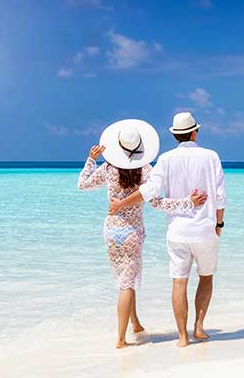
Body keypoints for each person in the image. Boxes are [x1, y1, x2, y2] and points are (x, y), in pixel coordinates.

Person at [78, 119, 207, 349]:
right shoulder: (146, 170)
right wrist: (187, 202)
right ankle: (120, 339)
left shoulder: (108, 168)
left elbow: (82, 184)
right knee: (126, 284)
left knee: (125, 279)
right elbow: (158, 202)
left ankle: (135, 323)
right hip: (132, 234)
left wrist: (91, 159)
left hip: (111, 230)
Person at [109, 112, 226, 348]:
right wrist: (219, 224)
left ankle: (183, 337)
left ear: (176, 135)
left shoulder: (166, 159)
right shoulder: (211, 156)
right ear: (194, 132)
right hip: (204, 229)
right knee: (206, 277)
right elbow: (220, 196)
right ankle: (199, 327)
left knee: (179, 282)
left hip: (177, 232)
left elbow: (150, 191)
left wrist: (120, 204)